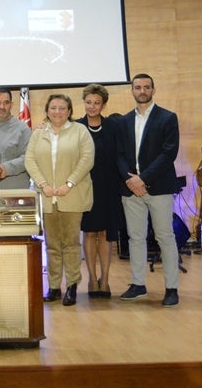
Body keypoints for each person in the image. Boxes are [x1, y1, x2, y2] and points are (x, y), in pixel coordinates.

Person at [115, 73, 182, 307]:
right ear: (132, 91)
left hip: (159, 187)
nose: (142, 91)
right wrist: (130, 180)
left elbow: (168, 153)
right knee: (135, 237)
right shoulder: (123, 122)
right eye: (137, 87)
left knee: (165, 237)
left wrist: (143, 179)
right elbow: (119, 155)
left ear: (153, 90)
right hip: (131, 189)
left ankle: (171, 288)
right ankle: (138, 285)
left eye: (146, 87)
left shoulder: (167, 118)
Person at [26, 94, 94, 306]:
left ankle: (72, 285)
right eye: (53, 108)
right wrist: (43, 185)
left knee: (71, 244)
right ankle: (54, 286)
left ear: (69, 111)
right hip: (47, 199)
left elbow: (87, 159)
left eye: (62, 108)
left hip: (71, 196)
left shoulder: (80, 131)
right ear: (47, 110)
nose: (57, 112)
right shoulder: (38, 134)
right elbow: (30, 160)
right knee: (52, 245)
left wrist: (69, 184)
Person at [76, 84, 126, 298]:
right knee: (89, 232)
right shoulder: (76, 126)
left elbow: (121, 155)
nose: (92, 106)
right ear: (84, 103)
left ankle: (104, 280)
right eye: (88, 102)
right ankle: (91, 280)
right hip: (85, 185)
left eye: (97, 103)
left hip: (109, 186)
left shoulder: (114, 126)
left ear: (104, 104)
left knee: (106, 233)